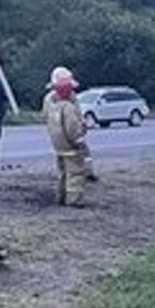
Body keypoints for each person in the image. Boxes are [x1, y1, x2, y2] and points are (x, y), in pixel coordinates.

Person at [43, 66, 91, 207]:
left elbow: (48, 120)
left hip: (58, 143)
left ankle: (61, 196)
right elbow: (72, 127)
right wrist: (79, 139)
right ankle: (74, 200)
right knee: (75, 173)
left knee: (62, 172)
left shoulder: (49, 102)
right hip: (71, 144)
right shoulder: (68, 106)